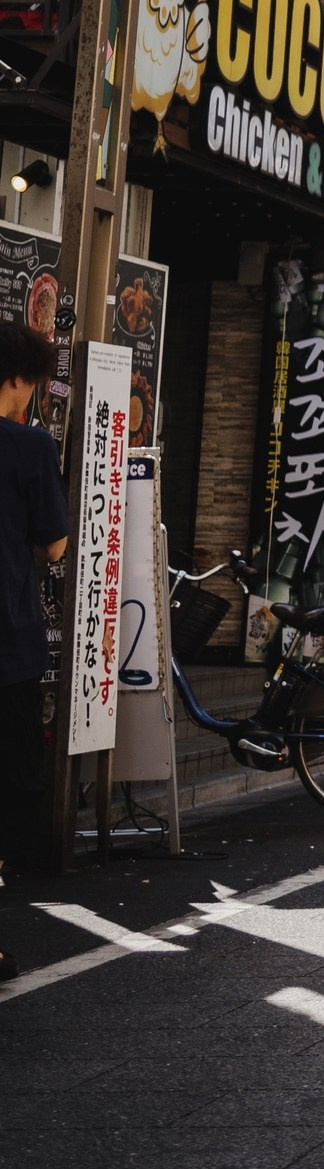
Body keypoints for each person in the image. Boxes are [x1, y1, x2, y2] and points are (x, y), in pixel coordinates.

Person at [0, 323, 67, 962]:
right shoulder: (28, 446)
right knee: (9, 785)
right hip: (7, 642)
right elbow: (53, 544)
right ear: (19, 380)